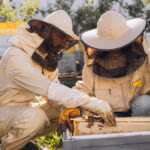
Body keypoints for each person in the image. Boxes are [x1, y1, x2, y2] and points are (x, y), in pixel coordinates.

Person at [0, 10, 115, 150]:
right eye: (61, 36)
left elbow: (55, 97)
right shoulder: (16, 57)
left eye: (66, 40)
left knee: (69, 108)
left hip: (20, 112)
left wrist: (67, 108)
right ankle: (9, 147)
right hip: (3, 111)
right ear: (45, 31)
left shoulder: (45, 58)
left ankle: (22, 143)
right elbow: (50, 89)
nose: (63, 44)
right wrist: (92, 102)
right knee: (36, 117)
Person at [74, 10, 150, 117]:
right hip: (111, 114)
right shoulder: (93, 65)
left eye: (119, 41)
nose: (116, 47)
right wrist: (73, 106)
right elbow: (84, 89)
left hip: (140, 111)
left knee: (145, 104)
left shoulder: (146, 57)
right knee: (104, 119)